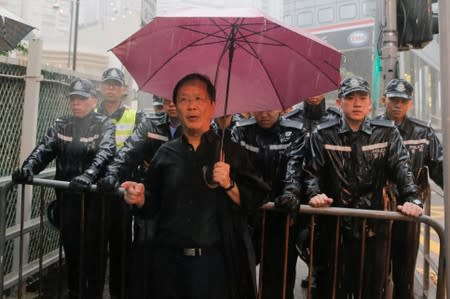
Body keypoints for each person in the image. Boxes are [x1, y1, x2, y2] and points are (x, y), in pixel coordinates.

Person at [121, 73, 267, 299]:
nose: (191, 107)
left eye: (198, 99)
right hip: (168, 265)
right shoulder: (165, 153)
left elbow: (255, 200)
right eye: (184, 100)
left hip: (215, 267)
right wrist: (140, 199)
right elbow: (152, 203)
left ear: (213, 106)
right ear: (175, 107)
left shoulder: (232, 152)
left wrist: (229, 185)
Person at [303, 76, 423, 299]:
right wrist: (314, 194)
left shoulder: (387, 132)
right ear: (339, 103)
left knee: (371, 288)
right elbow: (311, 172)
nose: (356, 103)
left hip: (374, 228)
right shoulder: (322, 134)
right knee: (330, 286)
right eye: (350, 98)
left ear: (370, 103)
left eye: (362, 98)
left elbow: (402, 169)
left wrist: (413, 199)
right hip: (333, 227)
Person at [12, 79, 115, 299]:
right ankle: (74, 293)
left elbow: (105, 152)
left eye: (82, 98)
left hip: (96, 204)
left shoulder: (104, 123)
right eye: (73, 99)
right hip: (68, 202)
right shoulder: (61, 124)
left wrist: (89, 175)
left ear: (93, 100)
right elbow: (44, 149)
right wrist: (27, 169)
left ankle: (93, 295)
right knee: (72, 253)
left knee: (95, 256)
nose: (76, 103)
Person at [98, 95, 181, 298]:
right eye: (166, 98)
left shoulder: (201, 130)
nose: (170, 103)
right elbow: (128, 151)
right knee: (145, 255)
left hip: (184, 206)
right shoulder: (150, 125)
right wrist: (112, 175)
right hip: (150, 201)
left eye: (176, 98)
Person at [378, 78, 443, 299]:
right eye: (394, 99)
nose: (397, 104)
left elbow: (439, 167)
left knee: (404, 274)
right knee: (375, 272)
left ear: (410, 104)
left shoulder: (423, 133)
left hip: (410, 213)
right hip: (376, 211)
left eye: (403, 101)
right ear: (383, 100)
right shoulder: (372, 128)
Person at [232, 110, 305, 299]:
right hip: (246, 215)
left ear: (280, 108)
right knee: (238, 277)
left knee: (278, 283)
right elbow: (238, 170)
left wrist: (291, 193)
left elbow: (294, 168)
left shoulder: (295, 132)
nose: (264, 114)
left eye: (270, 108)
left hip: (279, 218)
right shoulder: (240, 132)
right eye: (260, 108)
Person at [283, 93, 341, 288]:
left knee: (325, 244)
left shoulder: (336, 118)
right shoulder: (291, 120)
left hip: (324, 195)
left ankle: (318, 275)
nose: (314, 94)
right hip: (295, 192)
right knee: (290, 245)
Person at [97, 67, 145, 299]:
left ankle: (119, 294)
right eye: (108, 83)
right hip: (97, 189)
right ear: (100, 87)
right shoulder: (92, 113)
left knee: (121, 248)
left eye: (116, 84)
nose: (111, 88)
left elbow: (135, 152)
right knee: (95, 247)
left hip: (121, 190)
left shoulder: (135, 117)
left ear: (124, 89)